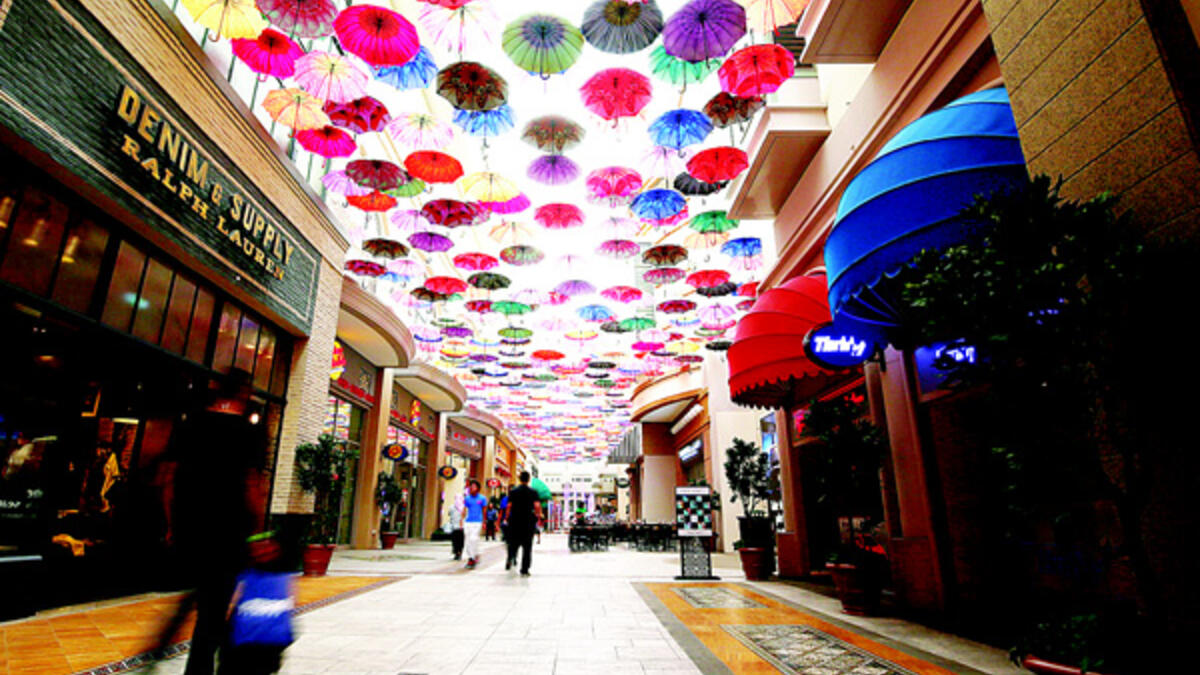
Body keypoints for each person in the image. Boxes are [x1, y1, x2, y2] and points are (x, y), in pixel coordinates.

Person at [153, 370, 267, 675]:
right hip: (229, 529)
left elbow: (167, 479)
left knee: (198, 593)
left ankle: (161, 647)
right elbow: (252, 483)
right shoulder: (249, 431)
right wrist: (257, 530)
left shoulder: (190, 423)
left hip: (189, 525)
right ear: (244, 393)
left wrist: (170, 524)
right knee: (214, 606)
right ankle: (199, 667)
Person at [505, 471, 543, 576]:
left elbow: (509, 506)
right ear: (529, 479)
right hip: (528, 522)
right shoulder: (533, 492)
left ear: (520, 479)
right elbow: (537, 506)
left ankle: (511, 558)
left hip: (515, 521)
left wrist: (506, 518)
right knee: (527, 546)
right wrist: (538, 516)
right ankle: (524, 569)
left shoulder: (513, 491)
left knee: (513, 543)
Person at [461, 480, 487, 568]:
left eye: (473, 486)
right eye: (470, 487)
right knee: (468, 540)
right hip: (468, 521)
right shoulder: (467, 498)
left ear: (478, 488)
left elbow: (484, 511)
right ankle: (472, 557)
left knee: (473, 539)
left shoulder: (482, 498)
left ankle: (473, 558)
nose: (471, 488)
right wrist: (462, 520)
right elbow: (464, 510)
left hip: (477, 521)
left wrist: (484, 522)